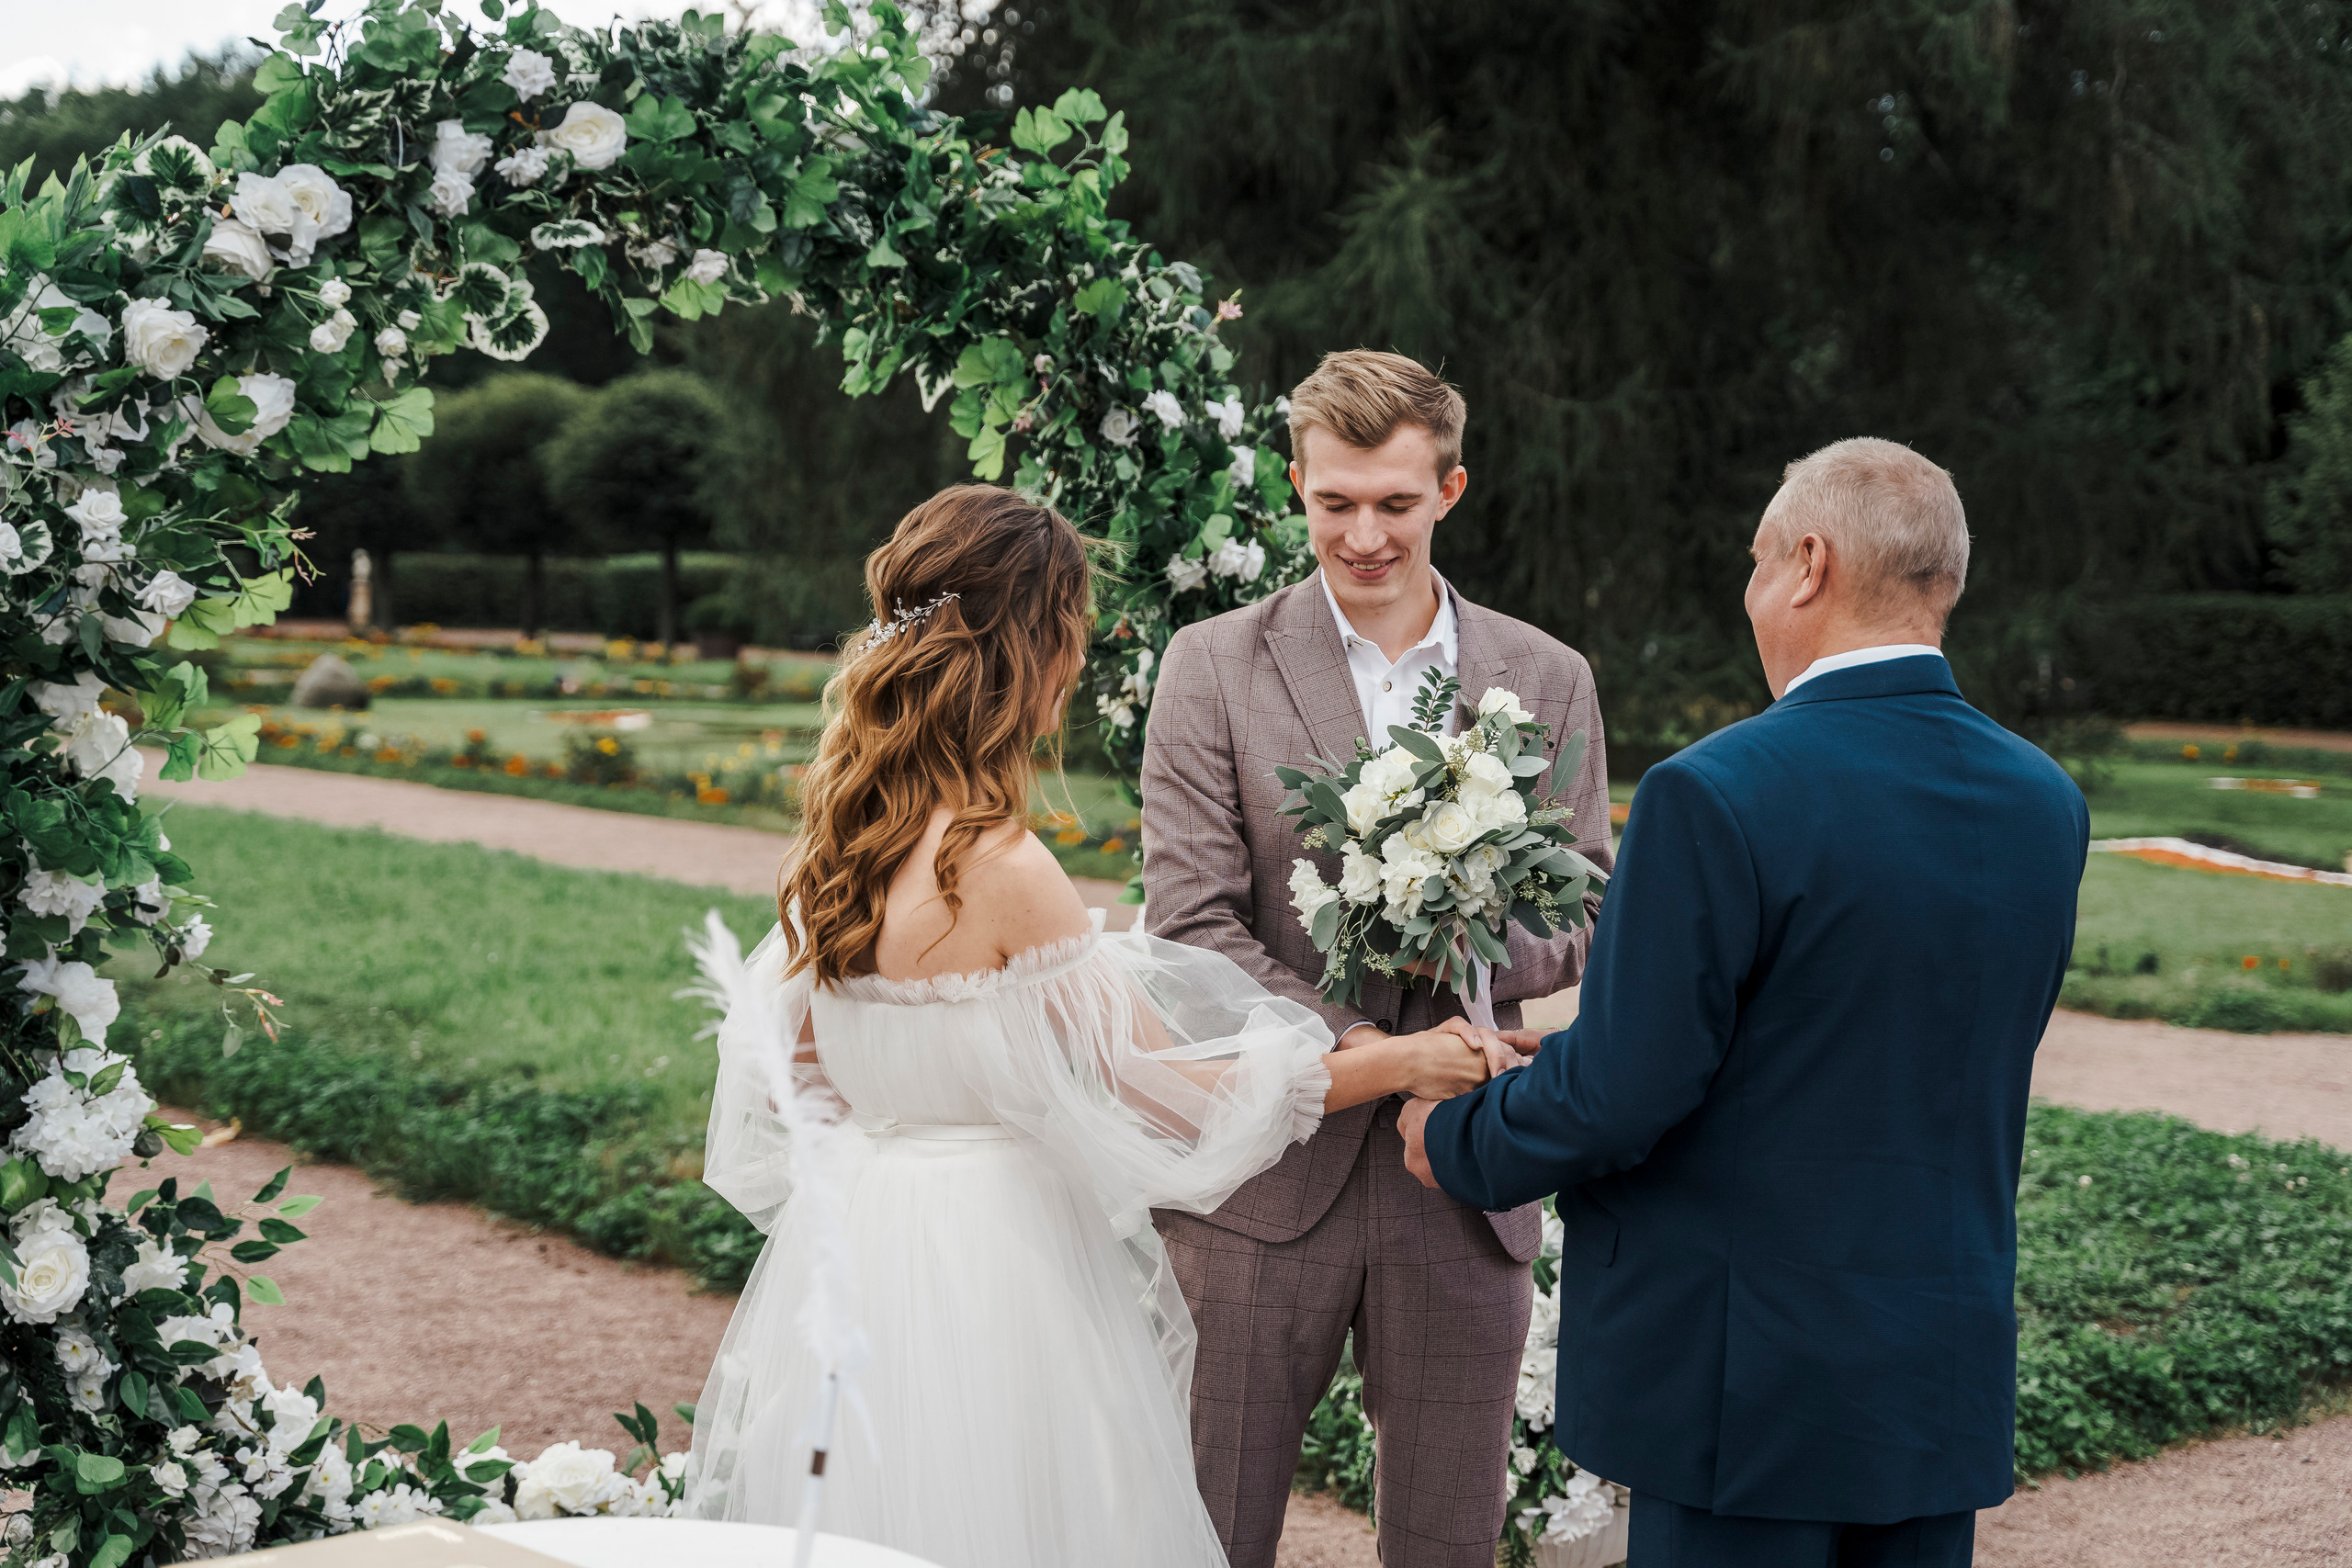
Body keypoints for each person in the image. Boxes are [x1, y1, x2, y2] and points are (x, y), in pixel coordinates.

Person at [683, 484, 1513, 1568]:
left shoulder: (836, 850)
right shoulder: (999, 866)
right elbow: (1168, 1095)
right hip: (997, 1264)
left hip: (860, 1249)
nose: (1075, 662)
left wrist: (913, 1137)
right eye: (1069, 629)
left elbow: (796, 1078)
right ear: (1028, 648)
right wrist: (1402, 1060)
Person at [1401, 439, 2089, 1567]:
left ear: (1809, 565)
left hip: (1746, 1385)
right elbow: (1849, 1037)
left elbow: (1625, 1093)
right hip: (1935, 1368)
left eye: (1759, 561)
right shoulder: (2044, 801)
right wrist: (1560, 1057)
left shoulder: (1714, 793)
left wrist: (1456, 1135)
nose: (1750, 591)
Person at [1141, 351, 1615, 1567]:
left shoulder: (1547, 676)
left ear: (1450, 488)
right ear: (1296, 486)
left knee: (1445, 1544)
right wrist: (1364, 1047)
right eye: (1334, 502)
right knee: (1205, 1536)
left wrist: (1464, 935)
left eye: (1395, 503)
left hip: (1466, 1174)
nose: (1363, 536)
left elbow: (1586, 903)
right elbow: (1193, 922)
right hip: (1257, 1179)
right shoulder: (1211, 664)